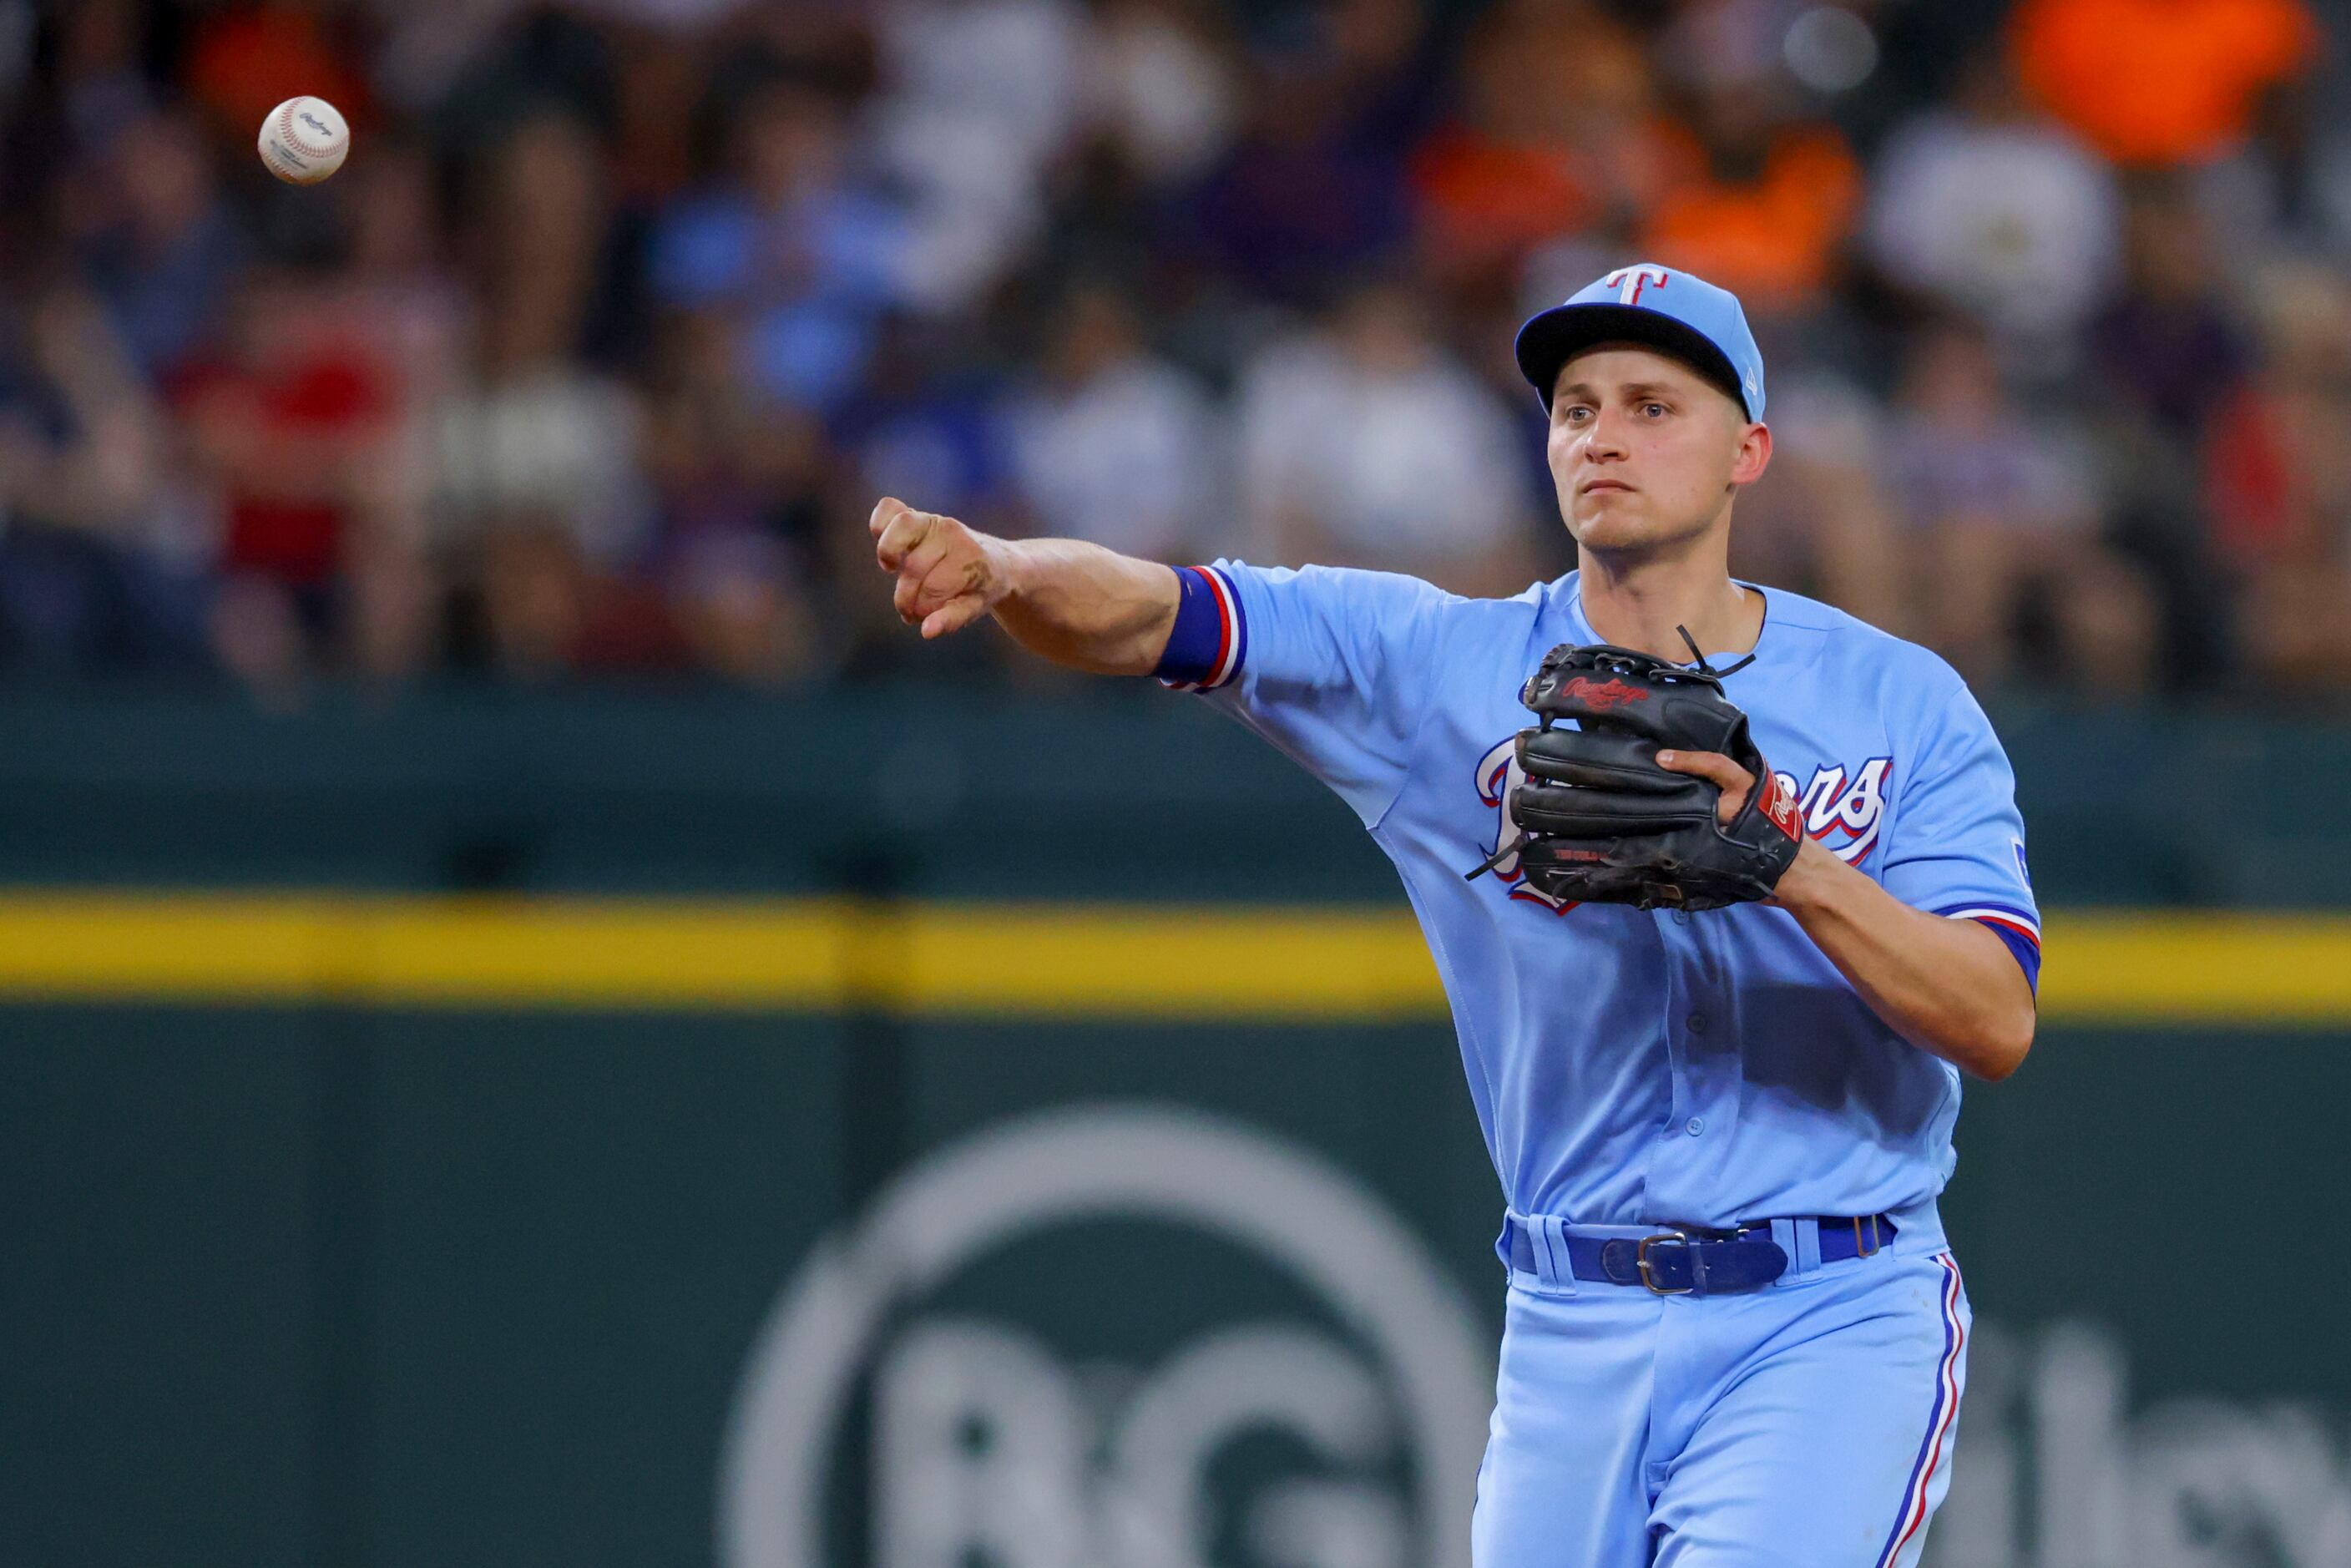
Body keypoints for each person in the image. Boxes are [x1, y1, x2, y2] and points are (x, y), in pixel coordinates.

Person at [869, 263, 2040, 1565]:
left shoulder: (1902, 701)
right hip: (1569, 1320)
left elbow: (1993, 1018)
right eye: (1576, 406)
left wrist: (1789, 863)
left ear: (1748, 451)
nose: (1603, 433)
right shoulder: (1439, 667)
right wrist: (1008, 562)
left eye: (1655, 405)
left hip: (1828, 1308)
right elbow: (1167, 612)